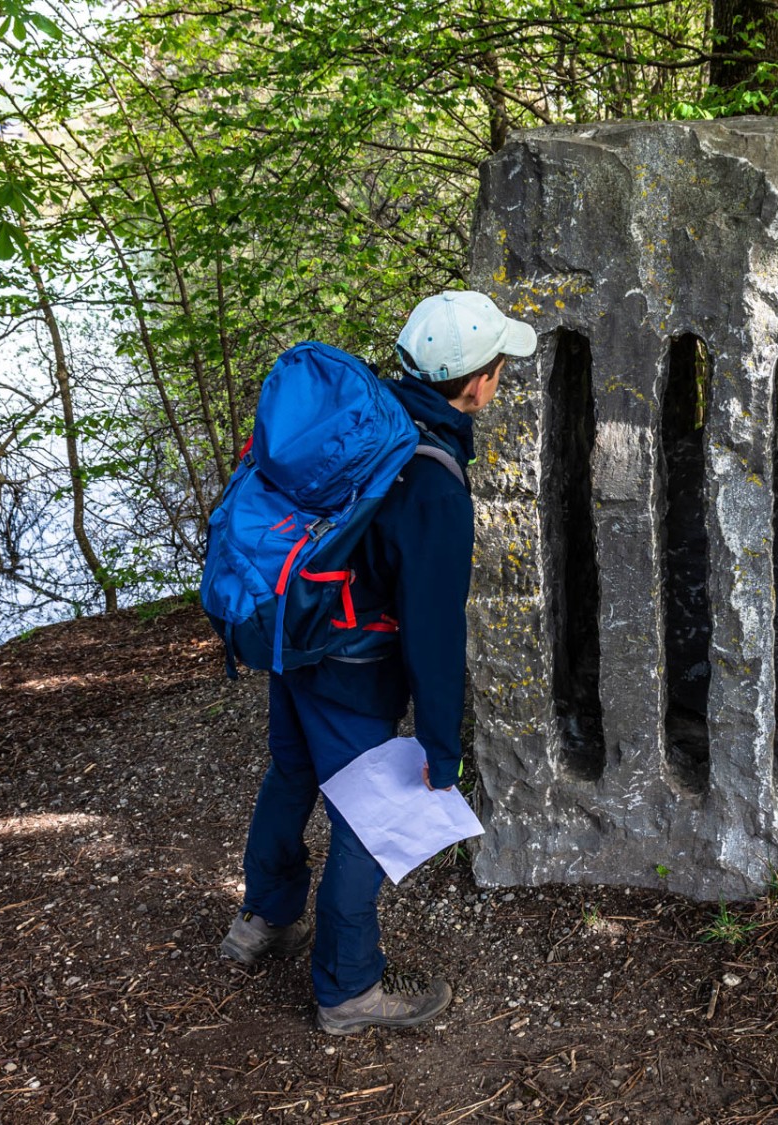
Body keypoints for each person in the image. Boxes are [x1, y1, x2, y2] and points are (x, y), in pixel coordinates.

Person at [219, 291, 537, 1035]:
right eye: (497, 369)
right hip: (355, 666)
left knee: (292, 770)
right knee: (367, 817)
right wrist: (441, 743)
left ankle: (262, 918)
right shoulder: (432, 483)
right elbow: (432, 631)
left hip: (292, 637)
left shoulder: (362, 424)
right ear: (478, 383)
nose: (497, 382)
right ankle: (348, 987)